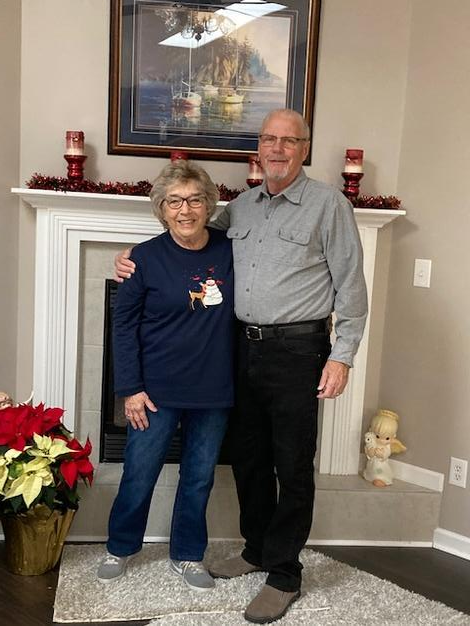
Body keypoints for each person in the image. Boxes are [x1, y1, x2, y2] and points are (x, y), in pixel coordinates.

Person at [114, 109, 368, 623]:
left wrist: (342, 356)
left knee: (291, 463)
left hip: (298, 351)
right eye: (270, 139)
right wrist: (133, 257)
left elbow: (351, 286)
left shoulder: (329, 205)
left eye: (289, 141)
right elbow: (188, 236)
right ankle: (256, 549)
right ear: (259, 148)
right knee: (249, 458)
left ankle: (284, 572)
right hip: (241, 350)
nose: (278, 149)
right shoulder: (242, 208)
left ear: (304, 148)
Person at [98, 160, 234, 593]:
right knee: (139, 472)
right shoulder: (142, 259)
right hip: (154, 392)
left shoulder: (232, 251)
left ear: (208, 205)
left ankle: (188, 554)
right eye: (174, 201)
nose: (185, 210)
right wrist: (130, 390)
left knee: (199, 476)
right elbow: (123, 327)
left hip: (214, 389)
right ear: (161, 209)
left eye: (194, 200)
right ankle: (120, 547)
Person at [363, 409, 406, 487]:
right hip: (371, 464)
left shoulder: (387, 446)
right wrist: (371, 452)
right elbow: (368, 451)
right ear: (371, 431)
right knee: (371, 470)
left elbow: (387, 453)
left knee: (378, 472)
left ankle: (380, 478)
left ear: (393, 436)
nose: (382, 441)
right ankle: (369, 475)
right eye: (378, 436)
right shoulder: (372, 442)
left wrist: (381, 455)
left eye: (387, 438)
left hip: (381, 465)